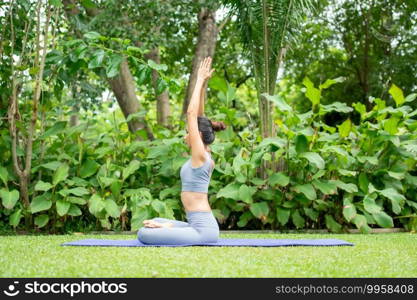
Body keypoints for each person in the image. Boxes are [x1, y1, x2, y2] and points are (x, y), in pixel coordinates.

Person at [137, 57, 227, 245]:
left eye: (189, 133)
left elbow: (192, 114)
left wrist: (199, 79)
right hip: (197, 224)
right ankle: (167, 227)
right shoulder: (204, 154)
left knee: (144, 234)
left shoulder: (200, 155)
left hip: (204, 231)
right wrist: (203, 87)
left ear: (198, 136)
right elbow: (200, 116)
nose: (186, 136)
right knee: (157, 221)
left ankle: (168, 229)